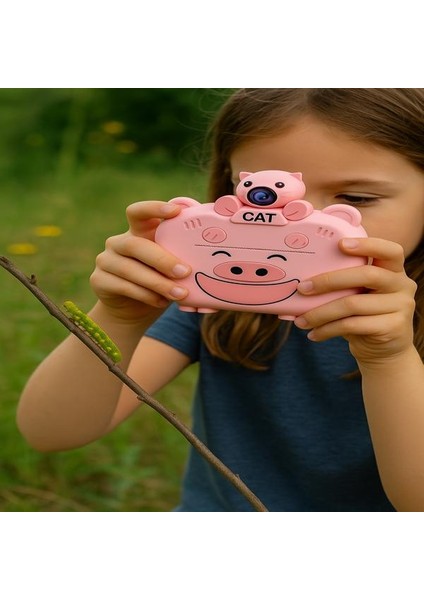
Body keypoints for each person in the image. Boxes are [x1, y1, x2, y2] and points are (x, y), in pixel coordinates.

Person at [18, 89, 424, 512]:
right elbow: (50, 431)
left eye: (356, 199)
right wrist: (120, 317)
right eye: (262, 195)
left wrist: (389, 359)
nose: (297, 224)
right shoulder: (213, 299)